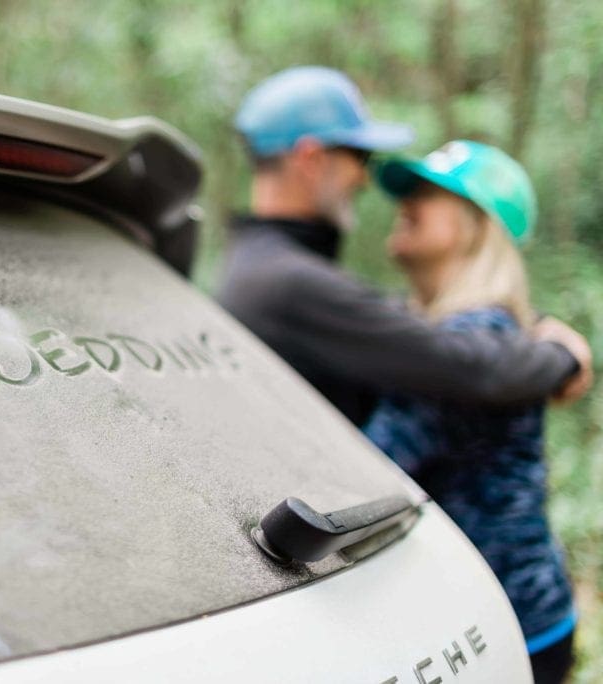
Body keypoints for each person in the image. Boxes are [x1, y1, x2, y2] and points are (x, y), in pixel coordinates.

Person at [217, 66, 592, 425]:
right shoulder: (287, 282)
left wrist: (532, 322)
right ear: (311, 159)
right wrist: (562, 358)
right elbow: (462, 366)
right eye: (359, 156)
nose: (365, 178)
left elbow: (393, 320)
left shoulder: (265, 268)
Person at [363, 141, 577, 683]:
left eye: (431, 194)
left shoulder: (472, 344)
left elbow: (373, 467)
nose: (407, 201)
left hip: (508, 626)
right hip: (519, 610)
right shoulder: (479, 334)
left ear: (477, 228)